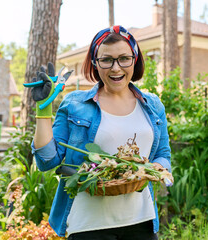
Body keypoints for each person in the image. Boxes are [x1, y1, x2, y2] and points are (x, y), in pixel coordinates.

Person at [29, 25, 172, 240]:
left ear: (135, 60)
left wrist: (151, 169)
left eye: (124, 58)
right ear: (96, 63)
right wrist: (43, 109)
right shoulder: (75, 104)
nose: (116, 68)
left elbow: (163, 154)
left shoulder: (152, 106)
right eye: (106, 60)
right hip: (89, 225)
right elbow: (47, 161)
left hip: (141, 221)